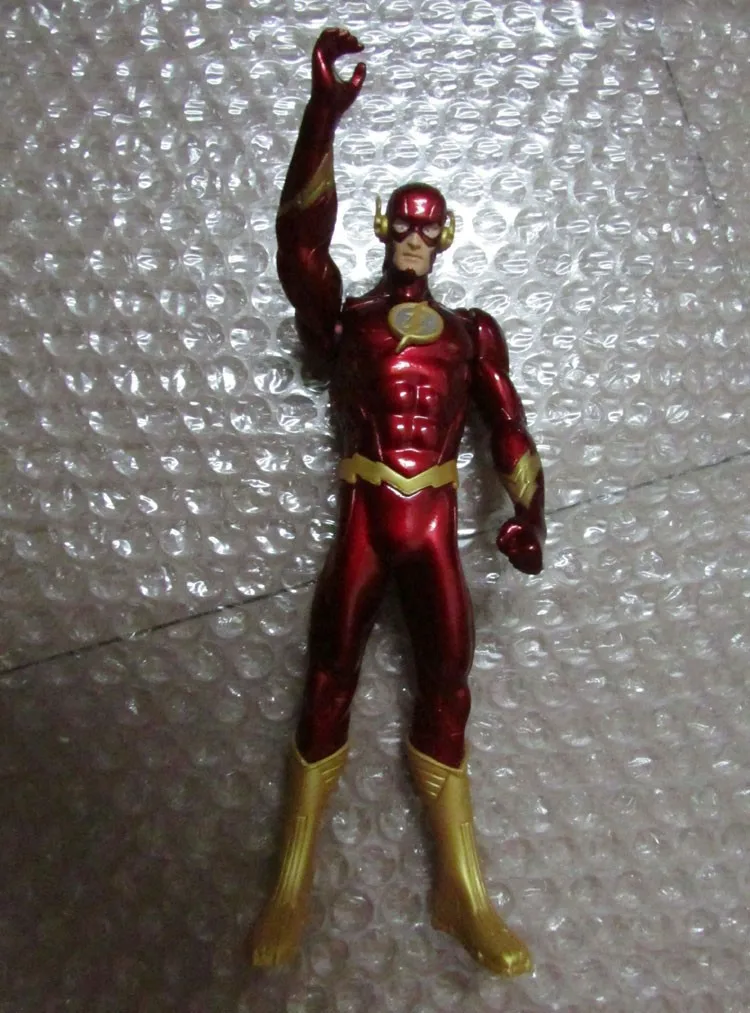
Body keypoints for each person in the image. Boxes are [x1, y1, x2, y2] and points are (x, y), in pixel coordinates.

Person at [249, 28, 545, 977]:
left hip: (435, 525)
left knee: (449, 686)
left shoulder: (470, 331)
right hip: (369, 517)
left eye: (429, 225)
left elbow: (509, 426)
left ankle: (463, 891)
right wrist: (322, 118)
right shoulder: (350, 321)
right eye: (403, 223)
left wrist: (531, 513)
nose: (415, 236)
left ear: (444, 234)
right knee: (326, 678)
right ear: (385, 227)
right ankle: (291, 885)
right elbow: (299, 246)